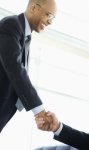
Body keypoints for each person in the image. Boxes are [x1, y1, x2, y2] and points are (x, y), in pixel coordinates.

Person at [0, 0, 57, 132]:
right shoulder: (11, 25)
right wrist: (39, 110)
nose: (50, 22)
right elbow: (16, 70)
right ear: (34, 8)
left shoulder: (24, 35)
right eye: (49, 15)